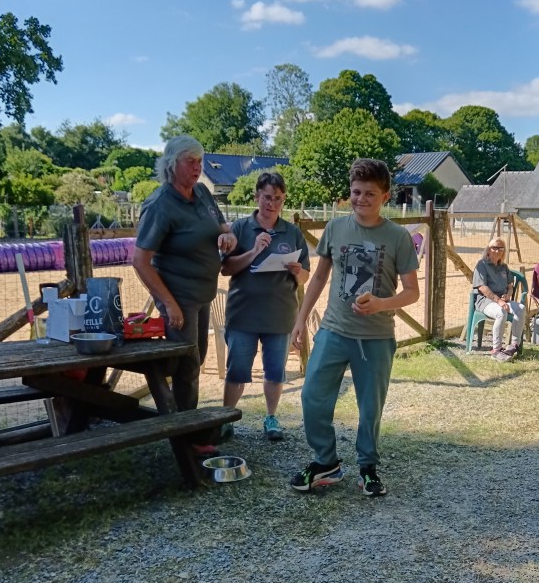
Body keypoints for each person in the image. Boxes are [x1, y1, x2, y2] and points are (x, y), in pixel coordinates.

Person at [289, 158, 419, 497]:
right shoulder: (336, 228)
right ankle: (325, 461)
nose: (361, 199)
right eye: (356, 192)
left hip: (376, 337)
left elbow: (412, 292)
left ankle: (368, 467)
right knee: (312, 397)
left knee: (370, 408)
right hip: (333, 330)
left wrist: (381, 304)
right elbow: (319, 277)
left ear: (385, 197)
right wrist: (300, 319)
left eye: (370, 194)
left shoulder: (398, 237)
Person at [133, 135, 237, 453]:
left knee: (195, 360)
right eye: (190, 161)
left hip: (202, 295)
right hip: (179, 300)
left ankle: (186, 427)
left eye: (200, 161)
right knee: (186, 366)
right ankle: (189, 438)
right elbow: (140, 261)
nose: (197, 167)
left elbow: (223, 227)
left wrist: (229, 238)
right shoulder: (159, 205)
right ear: (171, 164)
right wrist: (169, 304)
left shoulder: (202, 193)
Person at [219, 172, 310, 441]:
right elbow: (225, 269)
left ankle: (271, 418)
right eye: (267, 197)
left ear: (284, 200)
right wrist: (254, 252)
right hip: (243, 314)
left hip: (280, 316)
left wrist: (297, 271)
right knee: (237, 371)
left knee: (275, 372)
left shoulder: (292, 232)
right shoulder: (239, 228)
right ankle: (225, 418)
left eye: (278, 199)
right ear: (256, 196)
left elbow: (306, 276)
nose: (272, 203)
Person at [472, 237, 526, 362]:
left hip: (502, 300)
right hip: (485, 300)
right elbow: (482, 287)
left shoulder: (504, 267)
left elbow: (510, 286)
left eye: (501, 248)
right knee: (501, 312)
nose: (497, 250)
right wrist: (499, 301)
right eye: (494, 248)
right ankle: (496, 350)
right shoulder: (482, 265)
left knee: (521, 308)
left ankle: (514, 345)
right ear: (488, 250)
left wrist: (508, 295)